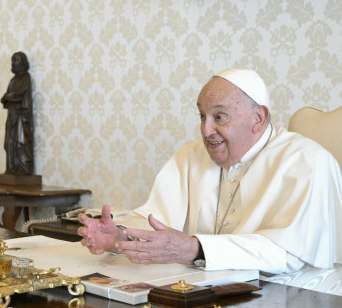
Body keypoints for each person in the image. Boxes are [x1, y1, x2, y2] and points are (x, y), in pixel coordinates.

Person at [78, 68, 342, 287]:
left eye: (220, 117)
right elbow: (156, 219)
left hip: (291, 294)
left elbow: (289, 254)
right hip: (208, 288)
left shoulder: (306, 161)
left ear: (258, 118)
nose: (206, 130)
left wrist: (196, 249)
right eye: (202, 116)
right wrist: (121, 237)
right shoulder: (191, 156)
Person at [0, 51, 34, 175]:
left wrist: (9, 97)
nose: (13, 63)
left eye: (16, 60)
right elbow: (5, 98)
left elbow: (19, 96)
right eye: (12, 60)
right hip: (11, 115)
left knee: (20, 143)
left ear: (23, 62)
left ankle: (24, 168)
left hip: (21, 117)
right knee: (8, 143)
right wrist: (9, 97)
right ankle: (11, 168)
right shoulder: (13, 80)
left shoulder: (26, 78)